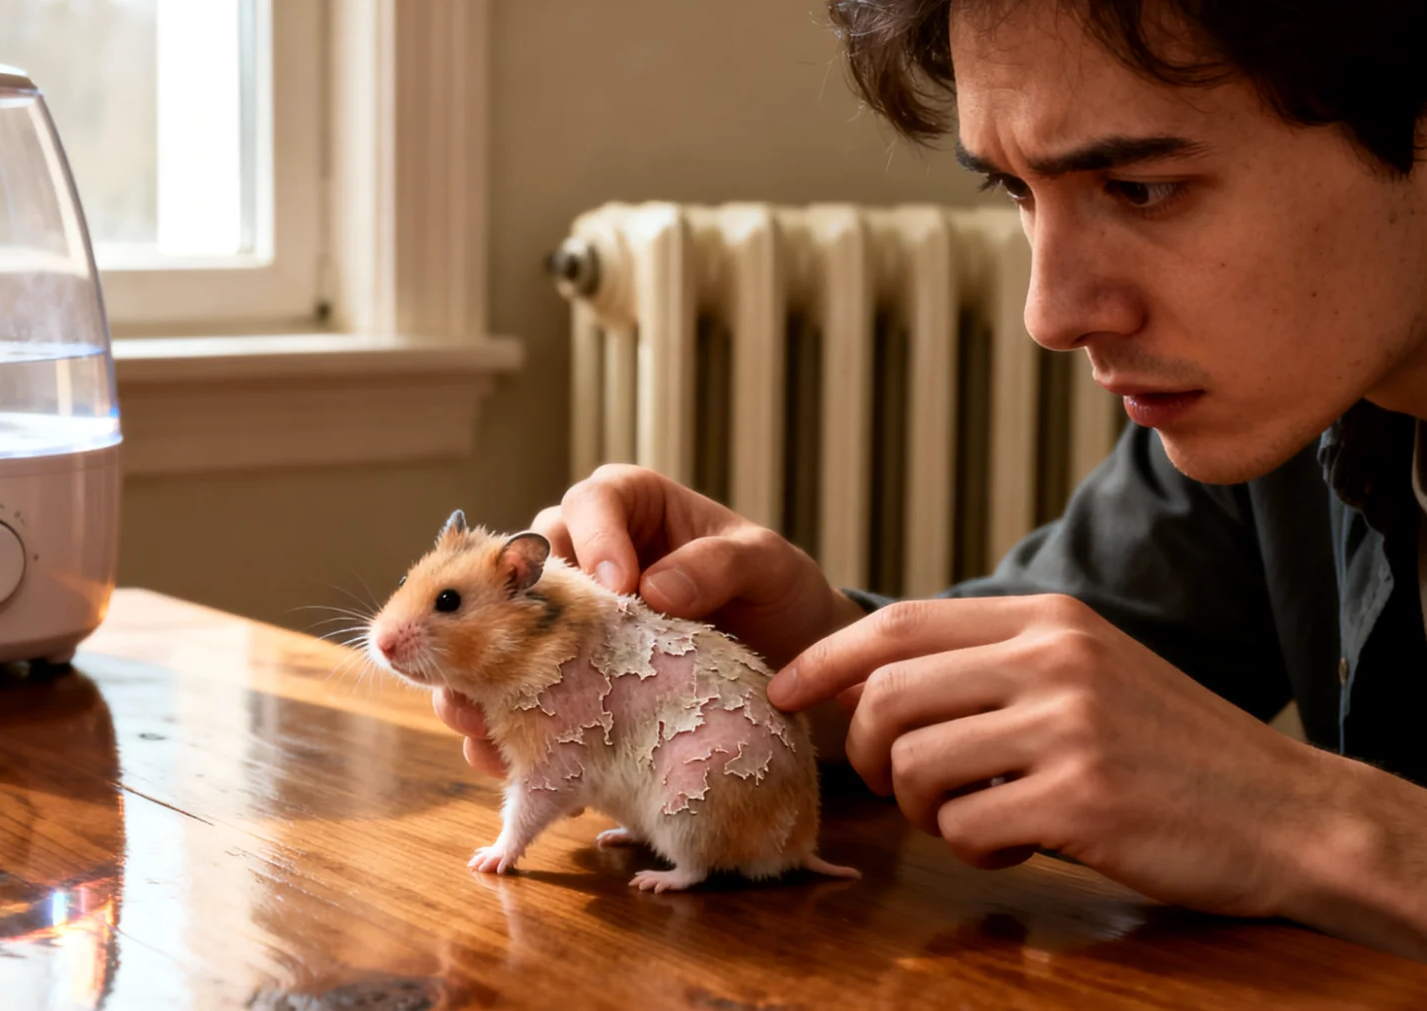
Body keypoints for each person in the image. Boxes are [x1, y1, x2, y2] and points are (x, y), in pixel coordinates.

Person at [432, 0, 1427, 958]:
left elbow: (1231, 789)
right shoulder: (1280, 417)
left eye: (1141, 188)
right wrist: (806, 667)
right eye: (1016, 192)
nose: (1050, 314)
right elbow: (1076, 707)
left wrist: (1325, 825)